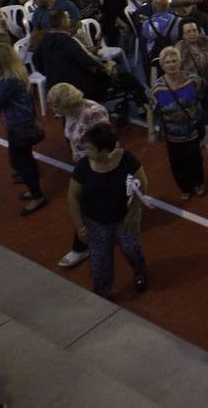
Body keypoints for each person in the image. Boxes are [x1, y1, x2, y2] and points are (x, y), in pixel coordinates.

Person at [67, 124, 150, 296]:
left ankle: (140, 272)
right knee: (100, 261)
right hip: (95, 222)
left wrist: (132, 213)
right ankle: (102, 290)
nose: (85, 151)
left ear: (104, 150)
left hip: (124, 217)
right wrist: (80, 226)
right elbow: (73, 196)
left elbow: (142, 185)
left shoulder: (127, 160)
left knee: (131, 249)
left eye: (89, 148)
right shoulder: (83, 167)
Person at [49, 83, 111, 268]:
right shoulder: (69, 114)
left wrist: (96, 165)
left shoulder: (94, 113)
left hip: (97, 164)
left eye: (55, 105)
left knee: (85, 204)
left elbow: (106, 143)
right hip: (82, 164)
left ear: (66, 103)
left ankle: (81, 246)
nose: (53, 109)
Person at [0, 37, 46, 215]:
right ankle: (33, 187)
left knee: (19, 161)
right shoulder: (16, 72)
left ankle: (37, 195)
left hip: (18, 125)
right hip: (22, 121)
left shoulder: (8, 80)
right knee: (25, 158)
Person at [148, 46, 206, 200]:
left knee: (196, 158)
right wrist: (151, 132)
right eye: (167, 62)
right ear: (162, 65)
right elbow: (151, 109)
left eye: (174, 61)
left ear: (180, 62)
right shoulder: (157, 88)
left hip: (193, 130)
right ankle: (184, 187)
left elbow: (202, 93)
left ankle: (198, 182)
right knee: (177, 162)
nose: (171, 64)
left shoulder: (193, 79)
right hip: (172, 135)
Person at [176, 18, 208, 161]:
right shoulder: (178, 49)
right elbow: (175, 70)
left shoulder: (207, 41)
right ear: (183, 34)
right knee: (195, 117)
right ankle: (200, 139)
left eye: (194, 30)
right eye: (188, 31)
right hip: (191, 89)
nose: (192, 33)